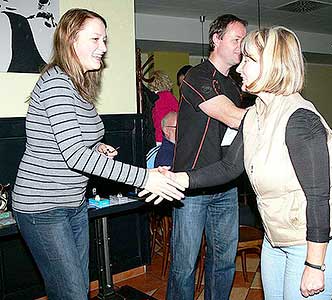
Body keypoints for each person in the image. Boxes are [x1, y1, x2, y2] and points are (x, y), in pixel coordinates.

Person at [158, 26, 332, 299]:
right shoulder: (255, 115)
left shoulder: (300, 120)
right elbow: (229, 167)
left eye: (249, 60)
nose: (240, 68)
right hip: (275, 239)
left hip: (313, 243)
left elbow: (319, 197)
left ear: (272, 66)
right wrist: (178, 179)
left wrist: (315, 264)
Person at [11, 9, 184, 300]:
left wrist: (96, 147)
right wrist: (144, 178)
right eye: (95, 38)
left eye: (105, 39)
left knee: (74, 288)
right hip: (42, 207)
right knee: (73, 292)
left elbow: (73, 142)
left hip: (73, 203)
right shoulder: (56, 83)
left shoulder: (78, 87)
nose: (103, 47)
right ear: (70, 40)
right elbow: (74, 156)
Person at [168, 14, 247, 300]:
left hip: (225, 184)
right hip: (191, 185)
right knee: (185, 265)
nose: (241, 46)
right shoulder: (196, 76)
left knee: (224, 262)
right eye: (236, 39)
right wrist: (277, 112)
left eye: (243, 40)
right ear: (216, 38)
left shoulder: (234, 86)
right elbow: (232, 117)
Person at [148, 70, 179, 144]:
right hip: (168, 136)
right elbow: (179, 113)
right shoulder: (167, 96)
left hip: (155, 137)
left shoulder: (151, 98)